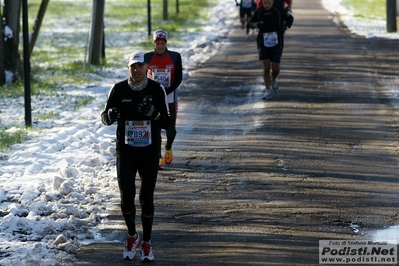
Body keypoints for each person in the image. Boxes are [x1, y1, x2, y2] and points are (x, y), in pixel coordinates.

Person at [101, 51, 170, 263]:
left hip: (149, 152)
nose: (137, 70)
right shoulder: (118, 89)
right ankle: (132, 236)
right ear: (128, 68)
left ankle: (147, 243)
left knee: (146, 199)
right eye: (133, 66)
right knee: (126, 198)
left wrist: (154, 114)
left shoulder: (157, 89)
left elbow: (167, 123)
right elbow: (104, 116)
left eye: (140, 66)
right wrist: (110, 116)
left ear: (147, 67)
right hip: (126, 151)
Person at [145, 29, 183, 169]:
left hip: (170, 97)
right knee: (155, 129)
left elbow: (179, 78)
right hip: (154, 99)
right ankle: (157, 155)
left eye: (162, 43)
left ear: (166, 43)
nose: (160, 46)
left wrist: (167, 90)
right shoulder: (147, 57)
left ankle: (168, 146)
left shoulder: (175, 57)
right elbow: (143, 76)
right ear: (154, 43)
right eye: (157, 43)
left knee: (170, 129)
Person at [249, 0, 293, 100]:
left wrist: (285, 27)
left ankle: (273, 79)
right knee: (266, 67)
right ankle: (268, 90)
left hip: (277, 43)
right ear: (262, 3)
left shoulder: (278, 10)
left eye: (269, 3)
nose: (267, 5)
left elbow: (290, 19)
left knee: (276, 68)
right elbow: (250, 23)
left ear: (272, 2)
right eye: (265, 3)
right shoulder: (260, 11)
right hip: (263, 43)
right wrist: (256, 25)